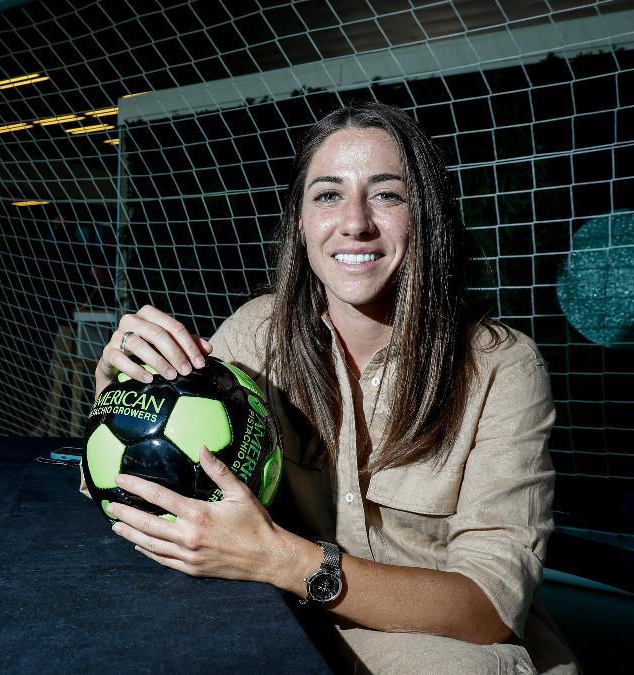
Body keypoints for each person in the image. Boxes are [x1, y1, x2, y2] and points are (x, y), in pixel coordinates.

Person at [91, 102, 578, 673]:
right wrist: (119, 395)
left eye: (387, 195)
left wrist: (280, 559)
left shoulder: (502, 367)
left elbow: (488, 608)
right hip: (289, 628)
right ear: (300, 221)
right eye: (328, 195)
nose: (355, 222)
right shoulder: (257, 333)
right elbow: (149, 488)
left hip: (449, 647)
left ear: (427, 216)